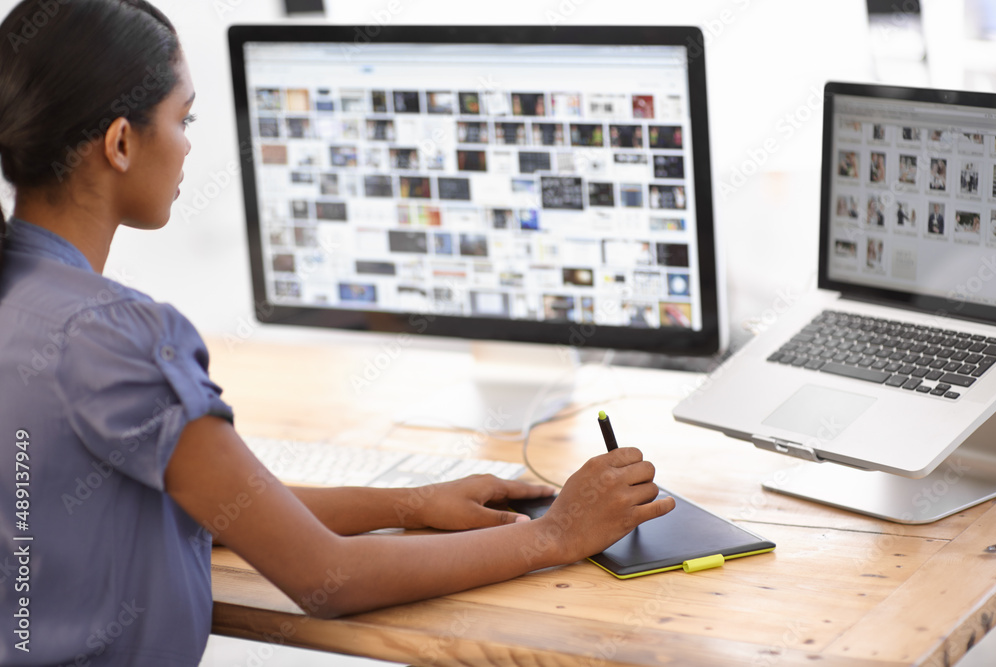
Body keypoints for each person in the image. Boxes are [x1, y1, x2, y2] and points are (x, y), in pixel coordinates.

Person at [0, 2, 675, 665]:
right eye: (185, 118)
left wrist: (411, 503)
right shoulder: (118, 338)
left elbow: (220, 506)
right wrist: (556, 534)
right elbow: (330, 578)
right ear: (121, 142)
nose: (188, 145)